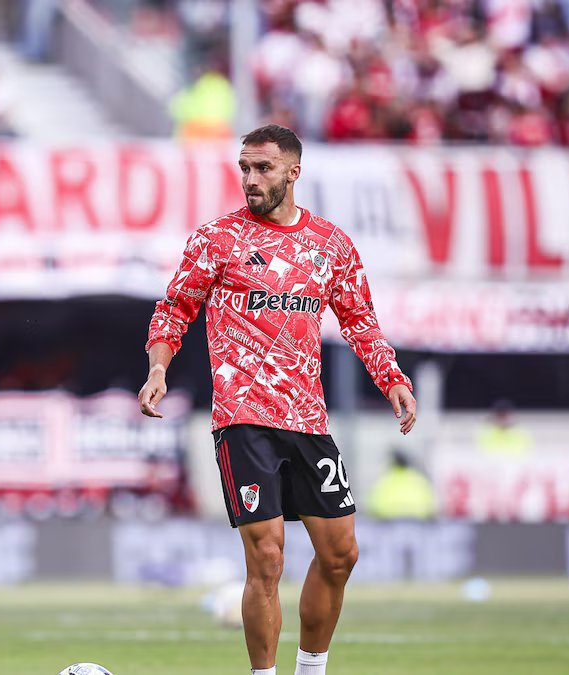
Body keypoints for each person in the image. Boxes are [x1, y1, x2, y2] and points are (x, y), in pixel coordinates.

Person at [138, 124, 416, 675]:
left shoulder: (329, 244)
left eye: (262, 168)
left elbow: (359, 319)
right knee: (267, 556)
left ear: (293, 171)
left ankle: (310, 670)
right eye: (244, 167)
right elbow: (175, 308)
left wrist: (393, 379)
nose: (250, 178)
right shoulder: (217, 239)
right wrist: (158, 368)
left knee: (340, 555)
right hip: (243, 418)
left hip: (308, 419)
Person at [366, 450, 435, 520]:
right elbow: (431, 507)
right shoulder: (419, 480)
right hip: (416, 523)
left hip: (389, 524)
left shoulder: (384, 480)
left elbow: (373, 507)